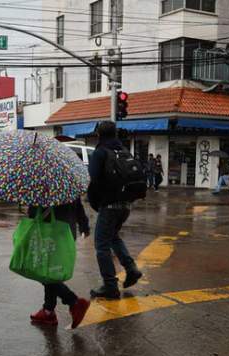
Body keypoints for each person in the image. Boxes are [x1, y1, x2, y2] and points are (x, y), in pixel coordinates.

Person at [87, 120, 143, 299]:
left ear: (99, 135)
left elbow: (94, 179)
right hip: (125, 205)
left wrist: (94, 202)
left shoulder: (100, 152)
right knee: (113, 237)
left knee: (101, 245)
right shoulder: (123, 150)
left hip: (109, 205)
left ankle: (110, 285)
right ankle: (131, 268)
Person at [28, 199, 92, 329]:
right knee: (50, 271)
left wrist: (30, 210)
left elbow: (34, 212)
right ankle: (48, 311)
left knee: (43, 272)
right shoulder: (66, 183)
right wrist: (84, 225)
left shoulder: (42, 184)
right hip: (67, 232)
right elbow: (78, 206)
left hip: (50, 233)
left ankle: (73, 301)